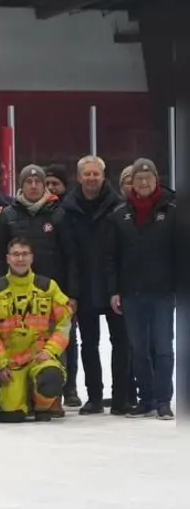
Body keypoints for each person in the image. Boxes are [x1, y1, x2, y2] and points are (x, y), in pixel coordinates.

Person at [0, 163, 77, 406]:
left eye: (37, 181)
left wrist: (72, 292)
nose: (33, 185)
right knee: (19, 338)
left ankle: (64, 390)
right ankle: (19, 390)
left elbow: (71, 256)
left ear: (44, 185)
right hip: (15, 290)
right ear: (22, 185)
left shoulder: (59, 213)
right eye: (28, 182)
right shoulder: (7, 215)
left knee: (62, 337)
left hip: (53, 290)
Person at [102, 157, 177, 419]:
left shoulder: (173, 209)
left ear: (157, 180)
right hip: (131, 292)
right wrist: (114, 290)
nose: (143, 182)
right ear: (131, 183)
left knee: (163, 347)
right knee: (139, 348)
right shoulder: (119, 215)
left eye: (148, 177)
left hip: (162, 292)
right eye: (138, 178)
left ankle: (163, 400)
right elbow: (111, 257)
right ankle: (145, 399)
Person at [60, 155, 132, 415]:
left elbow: (124, 252)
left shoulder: (119, 207)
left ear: (104, 176)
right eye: (86, 174)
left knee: (120, 342)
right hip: (84, 285)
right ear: (78, 177)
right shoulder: (68, 209)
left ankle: (122, 397)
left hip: (114, 285)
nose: (91, 178)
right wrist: (73, 292)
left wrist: (119, 288)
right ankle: (94, 397)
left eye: (96, 174)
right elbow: (69, 255)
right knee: (88, 344)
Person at [0, 237, 73, 422]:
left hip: (39, 357)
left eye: (25, 254)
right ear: (8, 258)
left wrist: (51, 351)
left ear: (32, 258)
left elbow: (64, 323)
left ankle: (42, 405)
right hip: (10, 363)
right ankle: (21, 399)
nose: (20, 259)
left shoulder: (48, 287)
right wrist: (0, 364)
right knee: (11, 416)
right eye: (16, 254)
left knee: (50, 376)